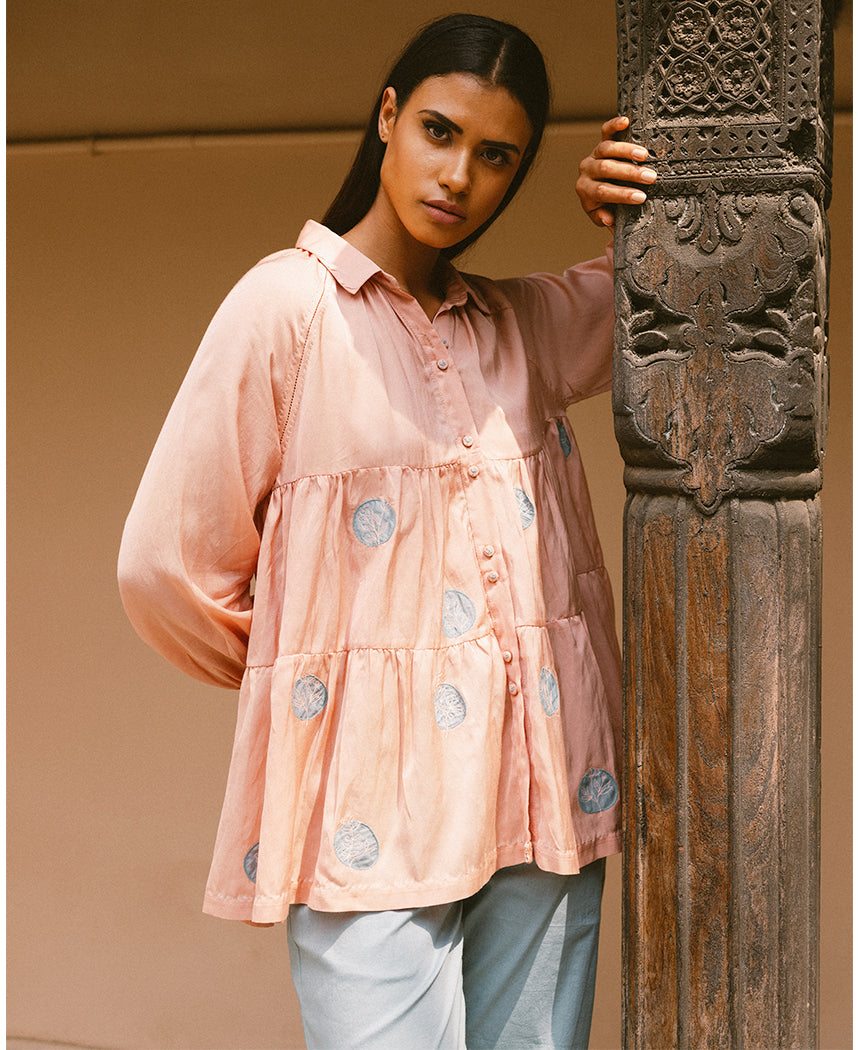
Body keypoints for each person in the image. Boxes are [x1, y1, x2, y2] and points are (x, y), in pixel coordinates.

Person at [117, 13, 654, 1050]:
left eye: (497, 156)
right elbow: (163, 567)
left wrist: (623, 218)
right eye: (440, 132)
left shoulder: (518, 326)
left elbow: (664, 300)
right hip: (368, 803)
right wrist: (314, 677)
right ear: (389, 116)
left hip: (540, 784)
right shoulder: (287, 308)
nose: (459, 176)